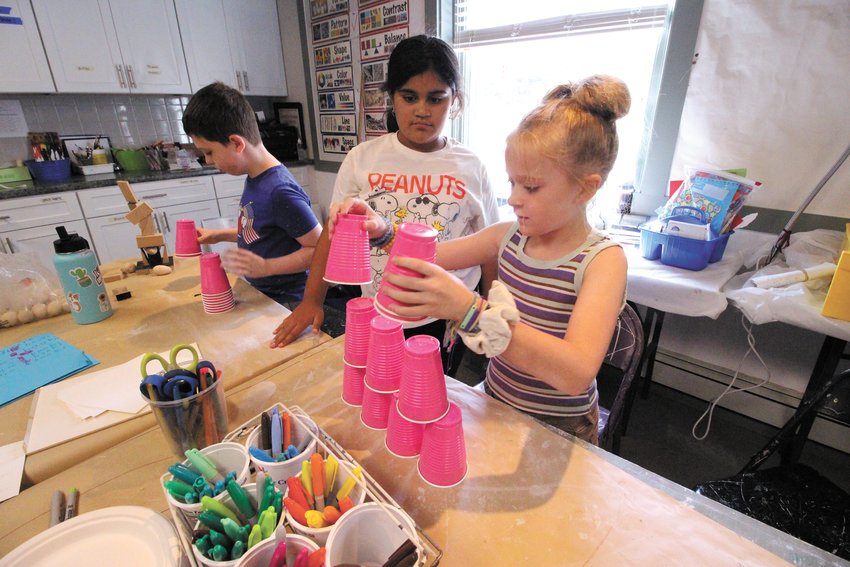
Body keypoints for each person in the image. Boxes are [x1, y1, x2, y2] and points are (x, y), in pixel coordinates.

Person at [332, 75, 630, 444]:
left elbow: (574, 373)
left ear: (586, 187)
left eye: (531, 187)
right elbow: (429, 254)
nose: (516, 198)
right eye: (512, 184)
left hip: (562, 427)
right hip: (498, 401)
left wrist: (468, 309)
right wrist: (379, 230)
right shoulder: (507, 236)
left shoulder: (603, 261)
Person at [271, 35, 499, 375]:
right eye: (409, 97)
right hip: (379, 310)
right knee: (381, 390)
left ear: (455, 101)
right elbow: (332, 235)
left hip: (444, 317)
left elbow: (489, 247)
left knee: (431, 397)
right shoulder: (363, 158)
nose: (422, 110)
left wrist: (491, 308)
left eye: (436, 99)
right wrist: (312, 299)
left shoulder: (471, 165)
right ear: (391, 98)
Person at [182, 82, 322, 306]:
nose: (208, 160)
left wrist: (267, 267)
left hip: (289, 301)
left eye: (209, 152)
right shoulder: (256, 178)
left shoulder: (279, 191)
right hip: (264, 293)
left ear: (237, 143)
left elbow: (320, 248)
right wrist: (218, 235)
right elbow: (260, 231)